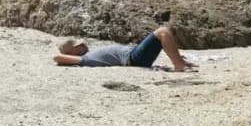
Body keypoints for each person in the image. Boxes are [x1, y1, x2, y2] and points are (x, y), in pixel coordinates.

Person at [54, 26, 196, 72]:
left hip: (135, 56)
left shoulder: (89, 55)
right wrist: (65, 56)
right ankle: (179, 65)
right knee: (162, 31)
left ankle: (180, 62)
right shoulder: (85, 59)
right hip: (133, 58)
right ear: (72, 51)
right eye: (79, 45)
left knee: (168, 31)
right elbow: (58, 58)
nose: (83, 45)